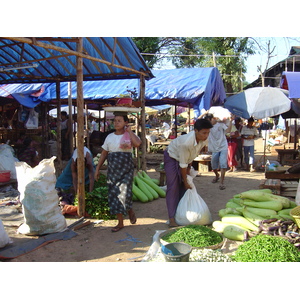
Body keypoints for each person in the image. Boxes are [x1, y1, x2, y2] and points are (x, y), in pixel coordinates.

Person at [94, 112, 141, 232]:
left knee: (125, 193)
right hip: (113, 169)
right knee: (114, 195)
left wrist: (129, 131)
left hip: (126, 168)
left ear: (126, 122)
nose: (116, 123)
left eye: (119, 121)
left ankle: (129, 210)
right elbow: (104, 153)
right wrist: (97, 169)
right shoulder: (109, 137)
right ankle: (120, 223)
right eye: (115, 121)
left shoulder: (129, 135)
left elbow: (137, 144)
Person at [164, 118, 213, 227]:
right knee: (173, 187)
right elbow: (182, 165)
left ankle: (181, 212)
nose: (206, 135)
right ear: (196, 130)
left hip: (185, 160)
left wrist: (187, 173)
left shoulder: (204, 140)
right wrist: (185, 180)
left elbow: (192, 156)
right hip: (172, 156)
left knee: (183, 187)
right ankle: (171, 218)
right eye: (204, 133)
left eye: (208, 133)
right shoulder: (186, 143)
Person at [205, 113, 232, 190]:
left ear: (212, 119)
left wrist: (230, 120)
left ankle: (222, 182)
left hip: (223, 146)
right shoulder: (208, 127)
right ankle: (217, 175)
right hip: (214, 148)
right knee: (213, 164)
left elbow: (228, 130)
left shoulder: (220, 125)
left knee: (223, 164)